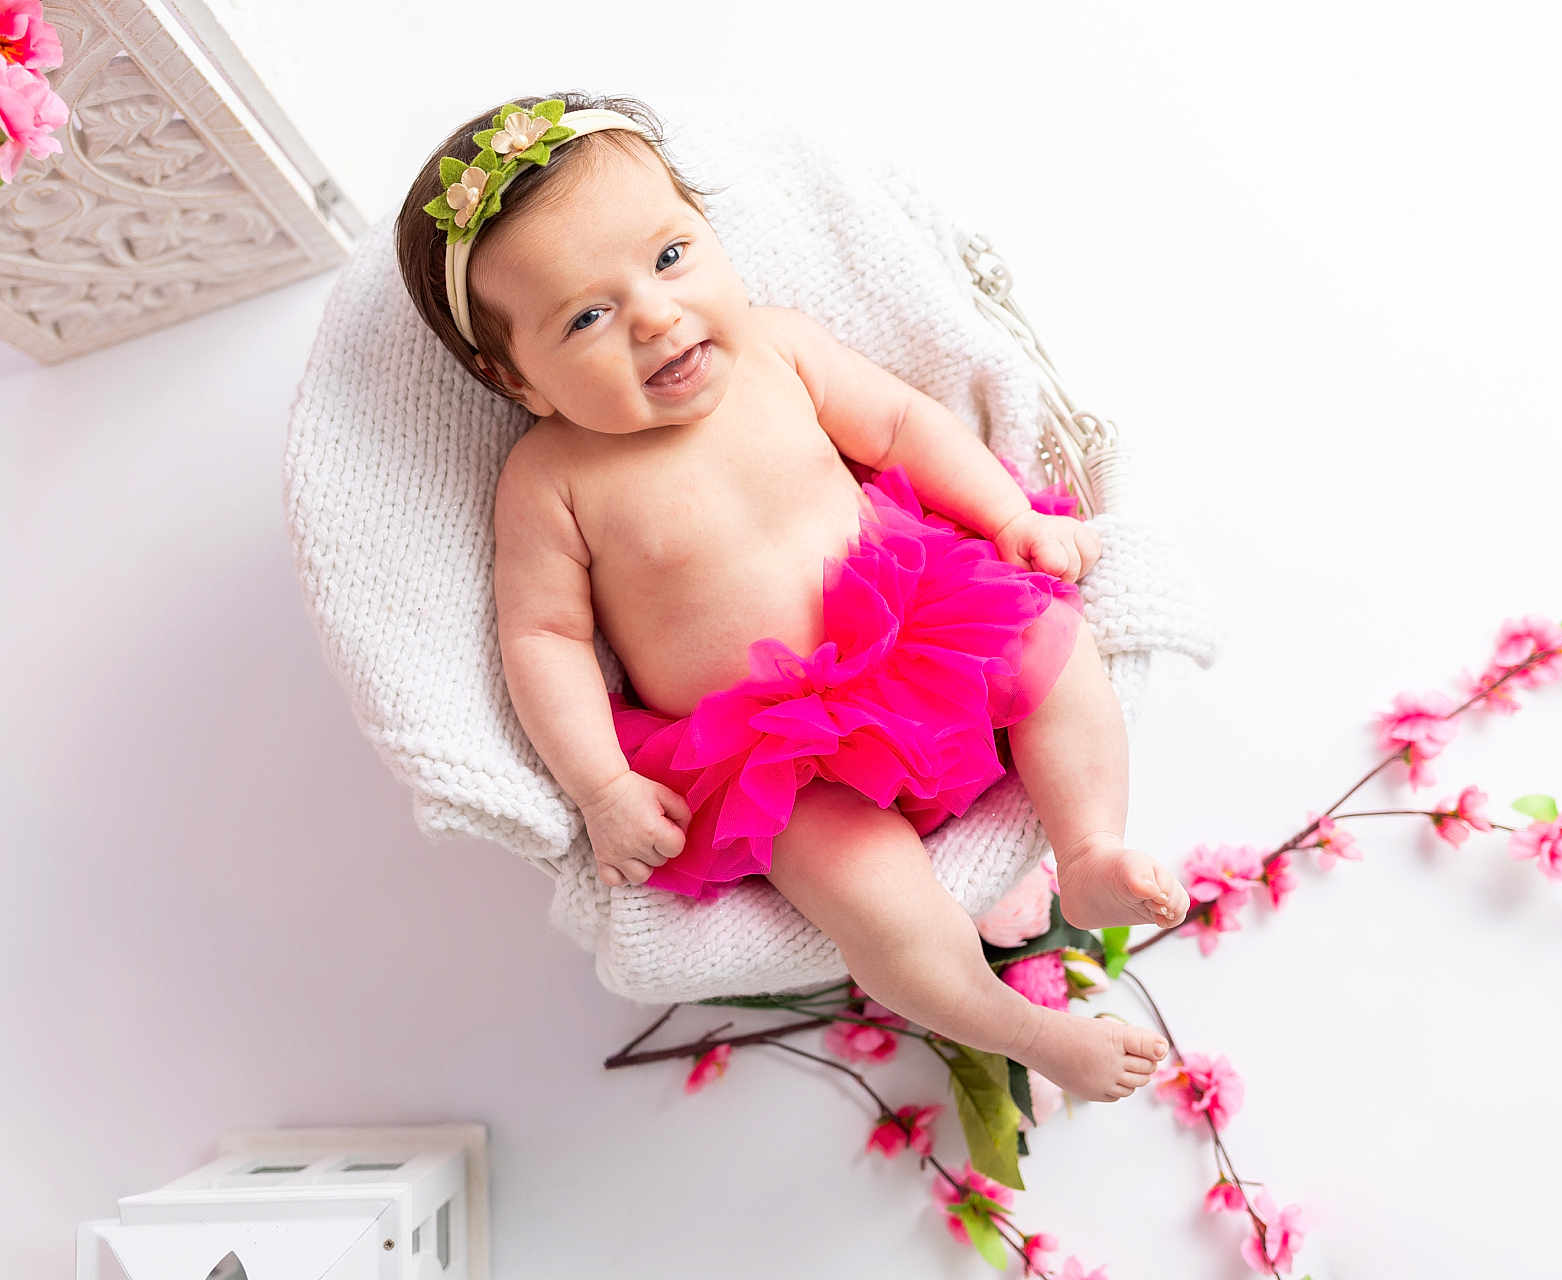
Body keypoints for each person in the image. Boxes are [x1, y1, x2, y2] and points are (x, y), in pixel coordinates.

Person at [394, 94, 1191, 1102]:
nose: (655, 316)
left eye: (671, 257)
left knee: (1055, 646)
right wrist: (602, 787)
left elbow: (901, 427)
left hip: (922, 631)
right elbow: (544, 636)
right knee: (874, 908)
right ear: (517, 379)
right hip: (778, 760)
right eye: (588, 317)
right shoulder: (550, 478)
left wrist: (1005, 515)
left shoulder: (779, 349)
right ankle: (1021, 1027)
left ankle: (1090, 847)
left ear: (709, 230)